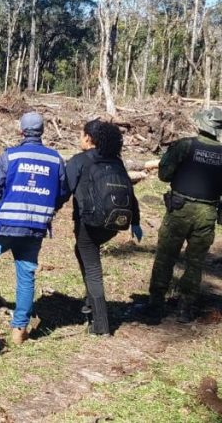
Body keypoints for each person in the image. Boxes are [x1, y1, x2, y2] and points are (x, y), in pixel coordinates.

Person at [0, 112, 68, 345]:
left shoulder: (11, 156)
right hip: (36, 227)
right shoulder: (56, 160)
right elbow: (63, 193)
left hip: (5, 225)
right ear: (42, 131)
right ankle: (19, 329)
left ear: (21, 131)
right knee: (26, 274)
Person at [142, 107, 222, 324]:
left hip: (179, 209)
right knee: (195, 262)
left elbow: (164, 174)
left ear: (201, 125)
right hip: (207, 213)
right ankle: (186, 308)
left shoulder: (184, 147)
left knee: (165, 257)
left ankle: (155, 304)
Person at [65, 119, 142, 335]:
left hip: (89, 223)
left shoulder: (79, 161)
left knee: (92, 267)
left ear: (89, 138)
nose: (80, 138)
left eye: (81, 134)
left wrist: (47, 211)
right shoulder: (116, 162)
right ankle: (90, 301)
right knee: (82, 251)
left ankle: (100, 324)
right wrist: (135, 222)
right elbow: (130, 194)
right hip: (113, 223)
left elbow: (64, 189)